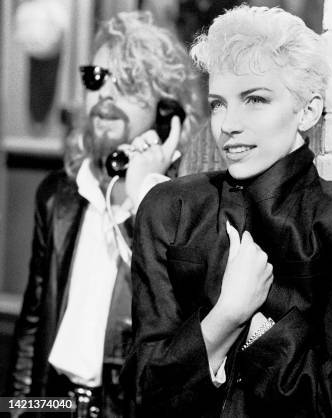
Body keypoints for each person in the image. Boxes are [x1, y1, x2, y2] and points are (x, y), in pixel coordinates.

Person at [128, 5, 332, 417]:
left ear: (308, 110)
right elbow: (146, 393)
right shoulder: (169, 209)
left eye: (255, 99)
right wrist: (227, 314)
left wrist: (258, 328)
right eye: (219, 103)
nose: (228, 124)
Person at [5, 11, 204, 418]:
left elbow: (179, 321)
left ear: (168, 109)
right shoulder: (59, 195)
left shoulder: (186, 209)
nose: (105, 95)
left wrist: (142, 196)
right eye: (97, 78)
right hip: (55, 402)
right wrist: (18, 409)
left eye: (128, 83)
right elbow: (31, 326)